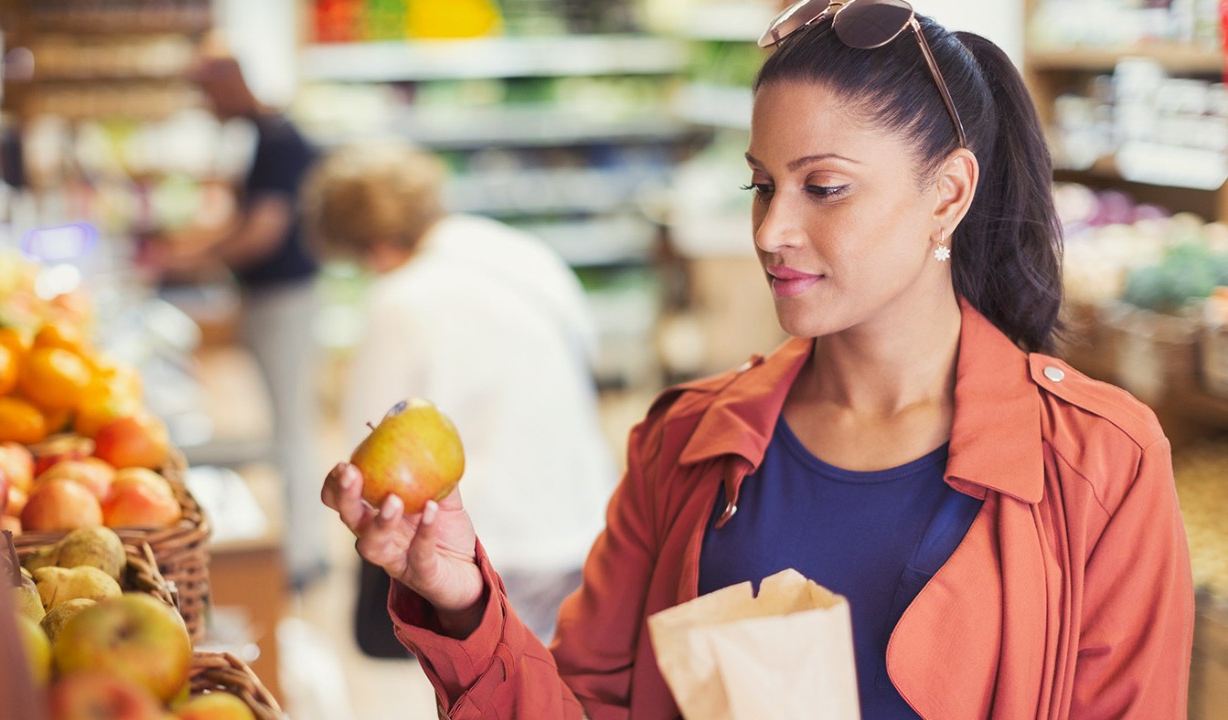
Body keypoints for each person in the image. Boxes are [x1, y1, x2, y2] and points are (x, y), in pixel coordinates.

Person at [320, 1, 1196, 717]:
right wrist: (463, 601)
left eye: (825, 187)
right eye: (763, 185)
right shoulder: (687, 445)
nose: (773, 231)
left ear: (949, 193)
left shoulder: (1100, 466)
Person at [300, 140, 617, 645]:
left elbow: (365, 455)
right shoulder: (522, 252)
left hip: (495, 537)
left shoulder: (399, 301)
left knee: (502, 686)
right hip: (584, 513)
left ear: (373, 245)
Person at [155, 53, 330, 591]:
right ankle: (299, 549)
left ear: (232, 86)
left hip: (287, 299)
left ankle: (305, 556)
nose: (207, 108)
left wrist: (191, 259)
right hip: (267, 298)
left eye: (209, 96)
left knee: (291, 427)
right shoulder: (259, 138)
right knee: (282, 425)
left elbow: (261, 233)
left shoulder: (280, 142)